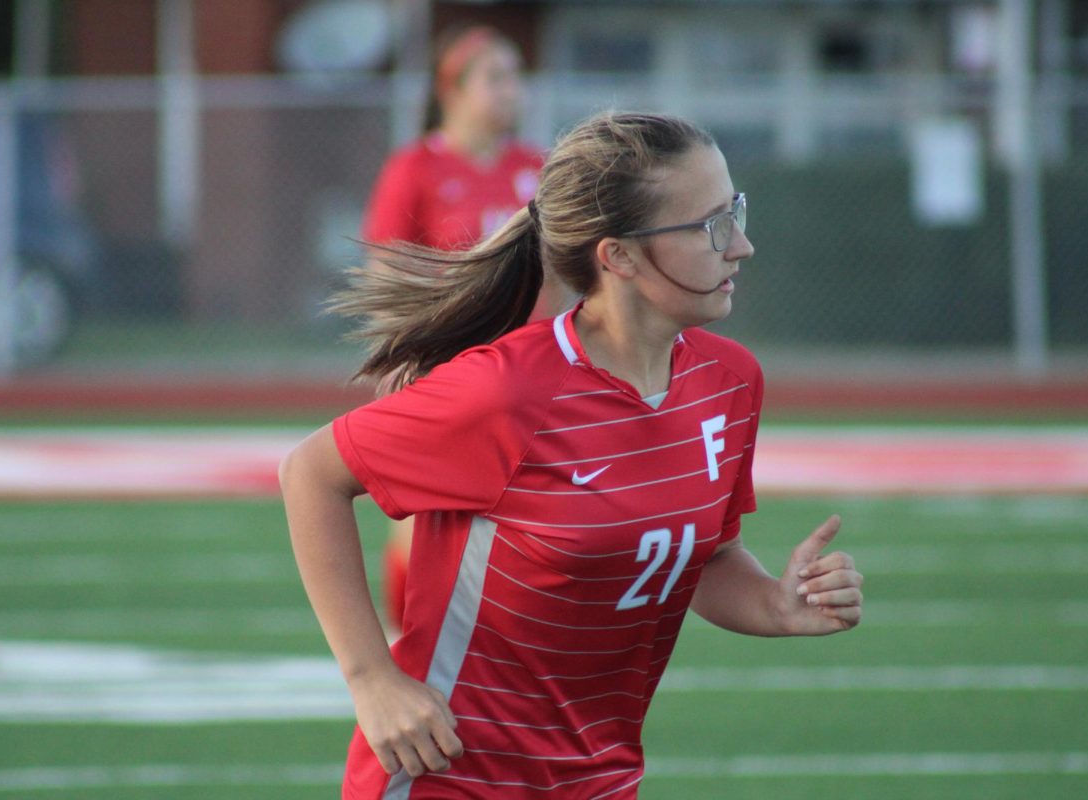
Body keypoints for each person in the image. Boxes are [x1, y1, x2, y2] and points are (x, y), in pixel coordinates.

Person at [280, 111, 864, 799]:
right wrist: (372, 680)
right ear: (617, 256)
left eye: (735, 210)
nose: (742, 246)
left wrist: (775, 603)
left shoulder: (731, 381)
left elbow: (699, 555)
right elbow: (311, 473)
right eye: (711, 225)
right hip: (452, 777)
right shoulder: (507, 392)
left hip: (602, 781)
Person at [361, 24, 554, 632]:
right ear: (453, 89)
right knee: (421, 507)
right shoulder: (416, 167)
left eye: (515, 77)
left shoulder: (537, 167)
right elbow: (386, 272)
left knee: (533, 504)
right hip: (448, 366)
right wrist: (399, 364)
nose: (511, 91)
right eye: (495, 77)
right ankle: (408, 639)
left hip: (530, 368)